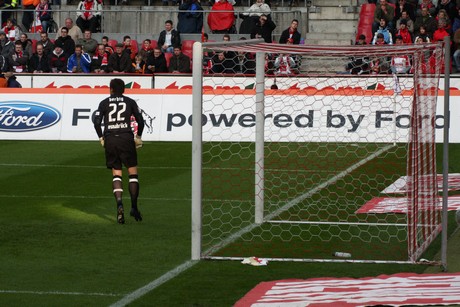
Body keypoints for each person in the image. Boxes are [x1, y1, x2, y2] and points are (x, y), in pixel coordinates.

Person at [93, 78, 145, 224]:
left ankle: (119, 204)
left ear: (110, 89)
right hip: (126, 138)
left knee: (117, 174)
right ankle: (134, 207)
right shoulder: (129, 101)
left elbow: (96, 122)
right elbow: (140, 121)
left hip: (110, 139)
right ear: (124, 90)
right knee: (133, 174)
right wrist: (138, 137)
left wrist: (100, 137)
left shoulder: (104, 103)